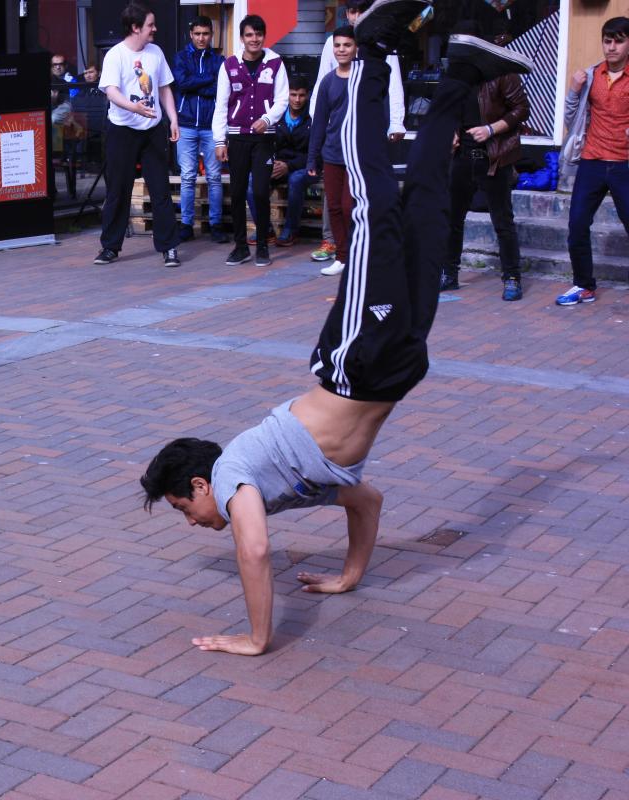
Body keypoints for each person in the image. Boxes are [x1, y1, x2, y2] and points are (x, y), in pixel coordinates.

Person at [138, 3, 531, 657]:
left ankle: (374, 50)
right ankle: (461, 68)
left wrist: (255, 638)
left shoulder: (235, 473)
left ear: (201, 488)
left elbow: (256, 549)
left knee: (372, 198)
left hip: (357, 360)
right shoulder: (281, 486)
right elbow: (367, 502)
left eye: (185, 511)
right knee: (430, 203)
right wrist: (349, 577)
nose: (195, 524)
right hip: (398, 363)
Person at [309, 0, 407, 265]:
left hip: (366, 139)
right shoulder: (336, 44)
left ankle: (363, 249)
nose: (357, 16)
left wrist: (396, 121)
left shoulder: (378, 43)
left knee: (358, 200)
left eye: (361, 11)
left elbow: (393, 81)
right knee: (335, 202)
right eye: (352, 12)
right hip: (336, 139)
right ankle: (337, 248)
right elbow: (324, 80)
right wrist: (317, 134)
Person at [93, 2, 181, 269]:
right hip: (122, 130)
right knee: (119, 189)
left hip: (153, 129)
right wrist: (133, 107)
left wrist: (173, 119)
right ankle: (110, 247)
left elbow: (164, 88)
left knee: (160, 189)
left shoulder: (156, 52)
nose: (155, 29)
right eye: (150, 25)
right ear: (135, 28)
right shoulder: (115, 55)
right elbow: (111, 91)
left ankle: (169, 248)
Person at [442, 27, 529, 301]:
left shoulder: (502, 72)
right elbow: (452, 108)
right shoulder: (459, 75)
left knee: (502, 220)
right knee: (453, 218)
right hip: (462, 156)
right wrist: (453, 131)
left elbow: (522, 109)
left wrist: (491, 129)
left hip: (494, 155)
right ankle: (449, 273)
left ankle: (512, 277)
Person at [557, 16, 629, 307]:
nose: (611, 47)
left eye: (619, 41)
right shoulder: (590, 75)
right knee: (576, 226)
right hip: (592, 161)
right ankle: (583, 285)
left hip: (624, 164)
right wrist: (574, 90)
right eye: (607, 41)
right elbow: (570, 118)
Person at [213, 14, 289, 268]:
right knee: (235, 193)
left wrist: (267, 119)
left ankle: (263, 246)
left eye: (258, 34)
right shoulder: (229, 65)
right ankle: (240, 246)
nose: (254, 39)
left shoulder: (276, 63)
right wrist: (218, 141)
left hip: (263, 138)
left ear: (263, 37)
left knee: (259, 191)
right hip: (236, 137)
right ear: (242, 38)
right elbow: (221, 104)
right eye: (249, 35)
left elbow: (282, 100)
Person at [307, 26, 359, 279]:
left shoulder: (364, 78)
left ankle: (358, 255)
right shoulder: (328, 81)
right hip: (332, 153)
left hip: (357, 154)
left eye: (347, 45)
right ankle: (342, 257)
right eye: (337, 45)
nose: (341, 50)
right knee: (335, 207)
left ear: (355, 48)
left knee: (351, 207)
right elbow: (319, 123)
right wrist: (312, 157)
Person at [174, 15, 227, 244]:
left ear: (211, 34)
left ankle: (216, 225)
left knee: (214, 177)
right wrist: (207, 80)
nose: (201, 38)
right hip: (186, 124)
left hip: (211, 126)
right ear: (191, 34)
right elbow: (182, 83)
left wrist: (197, 83)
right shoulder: (181, 57)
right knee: (187, 177)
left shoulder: (220, 60)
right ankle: (187, 225)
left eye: (205, 33)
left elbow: (220, 89)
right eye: (197, 34)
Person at [271, 76, 313, 247]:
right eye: (293, 94)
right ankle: (265, 230)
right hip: (280, 165)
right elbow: (267, 145)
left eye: (301, 95)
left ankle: (290, 230)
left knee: (296, 179)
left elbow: (315, 153)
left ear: (308, 95)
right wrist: (272, 163)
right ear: (286, 95)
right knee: (252, 181)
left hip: (305, 167)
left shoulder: (313, 115)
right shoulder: (277, 115)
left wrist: (289, 166)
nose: (297, 99)